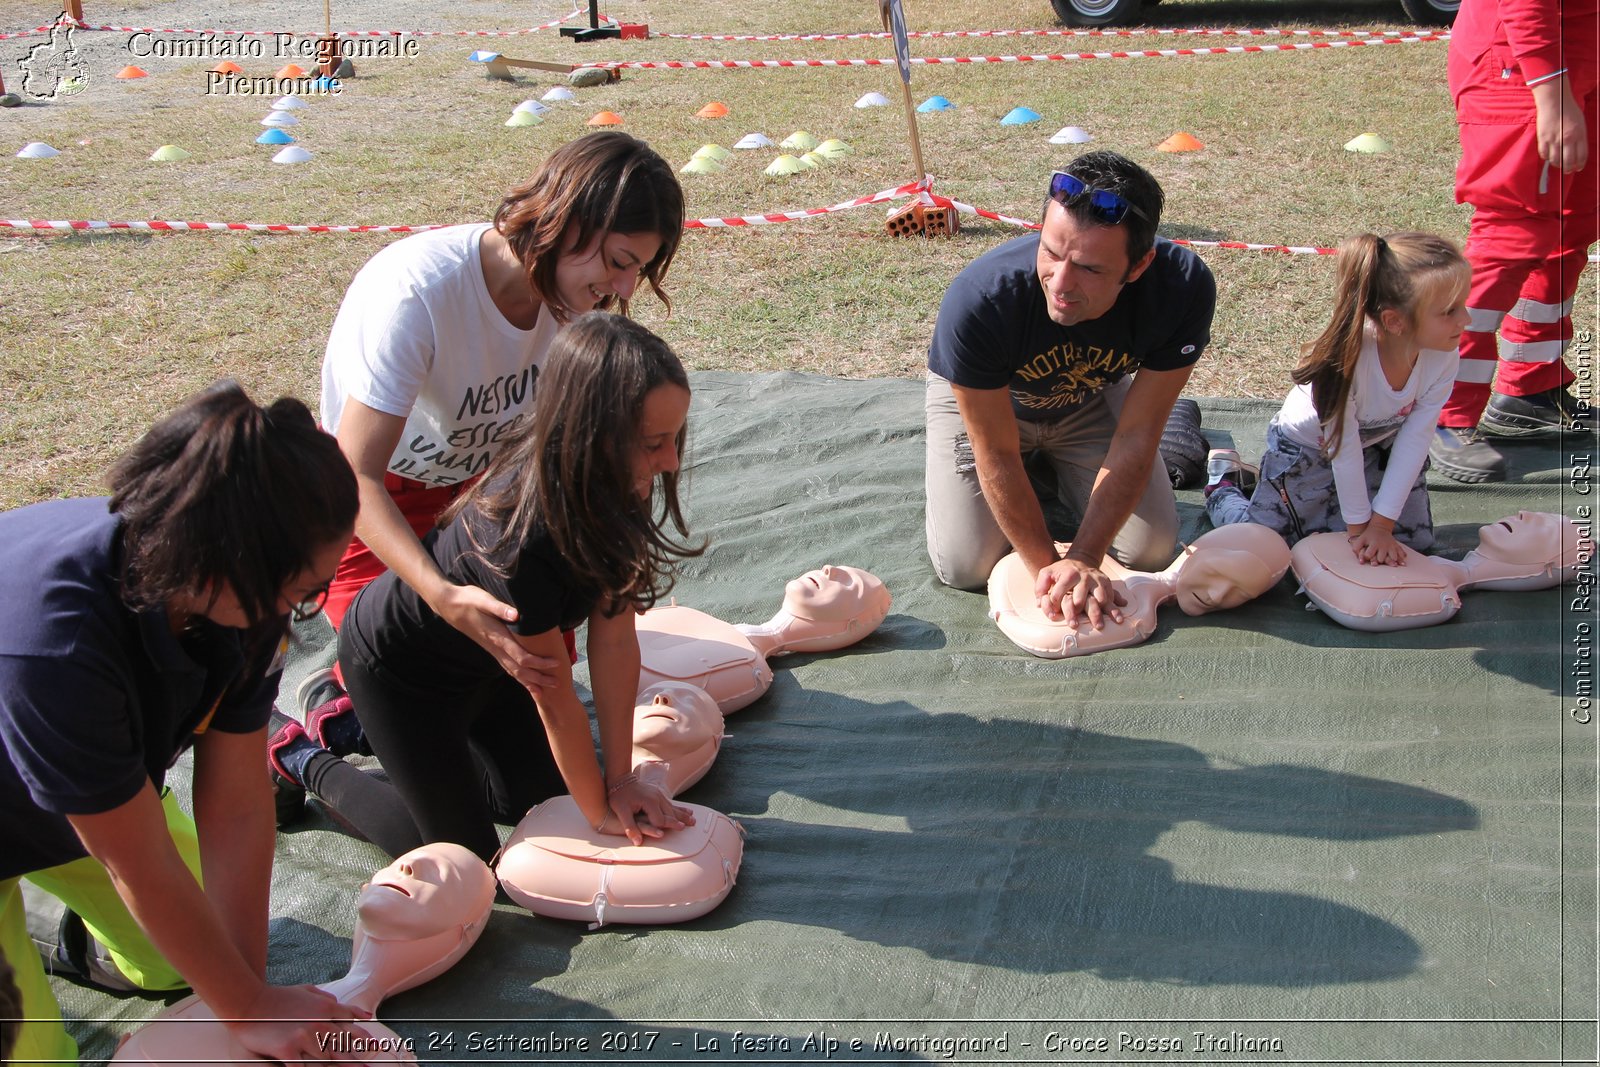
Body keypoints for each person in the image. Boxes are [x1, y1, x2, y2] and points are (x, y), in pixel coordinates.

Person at [0, 383, 366, 1065]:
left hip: (97, 798)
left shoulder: (240, 601)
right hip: (48, 806)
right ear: (222, 559)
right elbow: (132, 857)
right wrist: (249, 1008)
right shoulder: (53, 640)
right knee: (35, 1052)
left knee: (190, 963)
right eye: (299, 588)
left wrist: (245, 996)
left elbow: (235, 801)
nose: (304, 607)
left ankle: (56, 933)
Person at [271, 313, 700, 863]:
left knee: (536, 806)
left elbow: (614, 641)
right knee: (464, 861)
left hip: (491, 667)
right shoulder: (524, 537)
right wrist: (599, 816)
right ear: (591, 436)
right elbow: (555, 696)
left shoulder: (620, 480)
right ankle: (302, 758)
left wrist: (619, 782)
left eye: (675, 438)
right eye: (653, 443)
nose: (670, 462)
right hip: (404, 677)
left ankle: (365, 735)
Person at [318, 130, 685, 694]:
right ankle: (331, 703)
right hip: (372, 503)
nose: (625, 287)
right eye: (617, 261)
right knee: (405, 669)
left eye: (639, 268)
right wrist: (441, 596)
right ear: (565, 222)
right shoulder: (417, 295)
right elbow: (353, 476)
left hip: (482, 491)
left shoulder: (573, 304)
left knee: (528, 664)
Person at [924, 150, 1216, 629]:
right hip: (998, 408)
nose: (1060, 283)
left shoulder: (1182, 288)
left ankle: (1079, 458)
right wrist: (1052, 573)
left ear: (1139, 265)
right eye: (1051, 252)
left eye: (1090, 269)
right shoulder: (981, 299)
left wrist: (1084, 555)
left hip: (1087, 399)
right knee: (964, 566)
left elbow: (1137, 437)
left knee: (1151, 549)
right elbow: (995, 451)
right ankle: (1040, 473)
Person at [1204, 233, 1472, 564]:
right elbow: (1341, 450)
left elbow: (1416, 438)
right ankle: (1224, 484)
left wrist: (1383, 526)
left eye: (1463, 305)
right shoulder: (1346, 362)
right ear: (1395, 321)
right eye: (1449, 311)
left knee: (1412, 542)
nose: (1466, 320)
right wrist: (1361, 533)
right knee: (1266, 548)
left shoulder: (1444, 354)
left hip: (1375, 442)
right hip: (1309, 447)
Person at [1426, 0, 1597, 483]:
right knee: (1512, 234)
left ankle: (1529, 390)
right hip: (1521, 62)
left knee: (1571, 227)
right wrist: (1553, 94)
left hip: (1578, 58)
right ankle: (1443, 412)